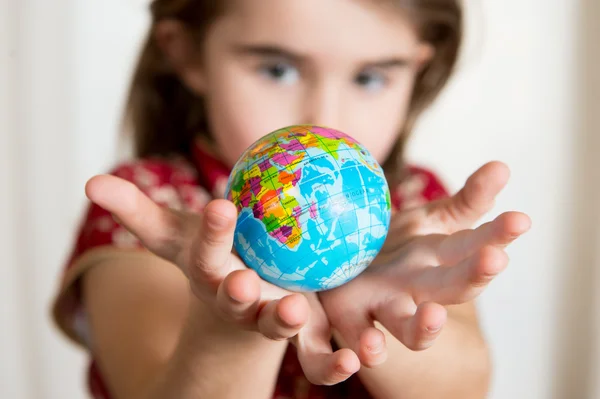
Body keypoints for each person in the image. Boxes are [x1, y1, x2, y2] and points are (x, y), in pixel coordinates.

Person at [51, 0, 531, 398]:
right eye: (277, 69)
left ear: (417, 68)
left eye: (369, 78)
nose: (323, 116)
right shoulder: (153, 211)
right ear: (189, 56)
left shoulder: (410, 203)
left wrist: (380, 315)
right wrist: (233, 321)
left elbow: (466, 387)